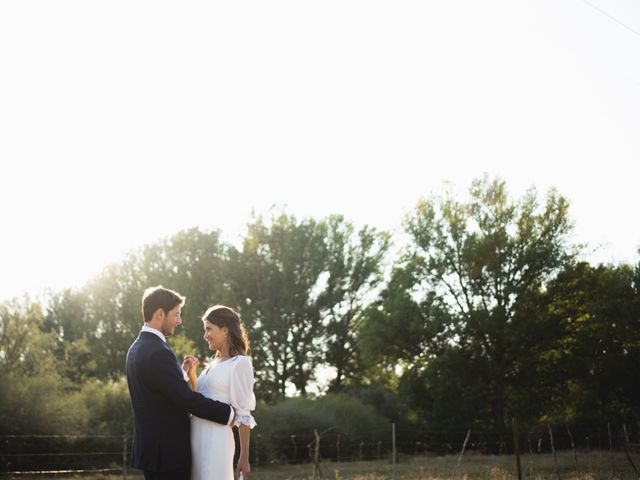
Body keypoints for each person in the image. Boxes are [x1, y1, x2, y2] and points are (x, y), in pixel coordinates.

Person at [125, 286, 235, 480]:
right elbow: (184, 398)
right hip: (168, 453)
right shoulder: (158, 351)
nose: (179, 321)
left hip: (154, 451)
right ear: (160, 314)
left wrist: (182, 373)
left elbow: (161, 387)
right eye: (176, 315)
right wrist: (228, 413)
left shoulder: (137, 348)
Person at [183, 305, 257, 480]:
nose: (205, 335)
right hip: (195, 437)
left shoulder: (240, 363)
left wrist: (244, 458)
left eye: (209, 329)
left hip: (215, 438)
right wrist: (193, 374)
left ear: (225, 330)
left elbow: (244, 414)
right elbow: (199, 399)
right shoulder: (213, 363)